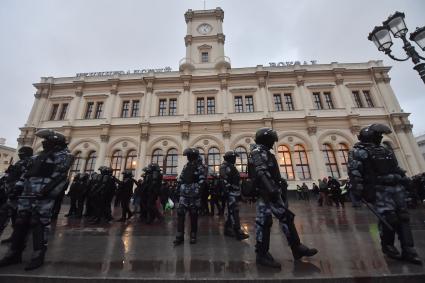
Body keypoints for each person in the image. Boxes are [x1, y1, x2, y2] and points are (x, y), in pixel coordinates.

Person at [348, 123, 421, 264]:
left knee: (404, 217)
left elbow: (396, 168)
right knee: (390, 218)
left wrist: (407, 182)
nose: (380, 137)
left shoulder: (385, 150)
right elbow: (355, 171)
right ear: (370, 136)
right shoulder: (359, 151)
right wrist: (358, 188)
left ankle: (409, 249)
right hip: (379, 188)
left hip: (396, 187)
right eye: (378, 135)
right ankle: (387, 245)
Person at [0, 129, 73, 270]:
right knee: (21, 221)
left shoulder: (63, 156)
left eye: (47, 141)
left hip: (43, 196)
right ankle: (14, 253)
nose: (44, 143)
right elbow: (26, 174)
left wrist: (47, 191)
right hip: (26, 194)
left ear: (56, 143)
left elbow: (60, 177)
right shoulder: (36, 157)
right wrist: (18, 187)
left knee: (38, 222)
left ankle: (38, 254)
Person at [248, 128, 317, 268]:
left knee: (286, 218)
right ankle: (262, 254)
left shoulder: (265, 152)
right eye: (272, 140)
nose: (273, 142)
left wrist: (279, 183)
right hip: (266, 193)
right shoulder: (257, 153)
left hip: (272, 192)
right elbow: (261, 171)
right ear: (265, 140)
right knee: (264, 222)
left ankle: (296, 247)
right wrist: (271, 189)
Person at [0, 146, 33, 243]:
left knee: (12, 215)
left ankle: (17, 239)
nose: (19, 154)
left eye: (21, 152)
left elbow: (25, 177)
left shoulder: (28, 162)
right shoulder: (20, 162)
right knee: (14, 216)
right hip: (11, 191)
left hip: (19, 193)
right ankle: (15, 237)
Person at [174, 148, 206, 246]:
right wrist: (177, 188)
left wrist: (198, 191)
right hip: (184, 193)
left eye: (189, 156)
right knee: (180, 213)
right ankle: (180, 234)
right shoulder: (186, 166)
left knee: (193, 214)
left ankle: (193, 234)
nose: (188, 158)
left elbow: (202, 180)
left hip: (194, 193)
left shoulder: (200, 167)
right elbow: (181, 178)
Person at [219, 151, 249, 240]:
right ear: (230, 158)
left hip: (234, 192)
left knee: (232, 212)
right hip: (231, 193)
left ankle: (227, 229)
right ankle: (238, 232)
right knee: (234, 212)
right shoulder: (225, 167)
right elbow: (224, 181)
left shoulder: (230, 166)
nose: (235, 159)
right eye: (234, 158)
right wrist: (229, 192)